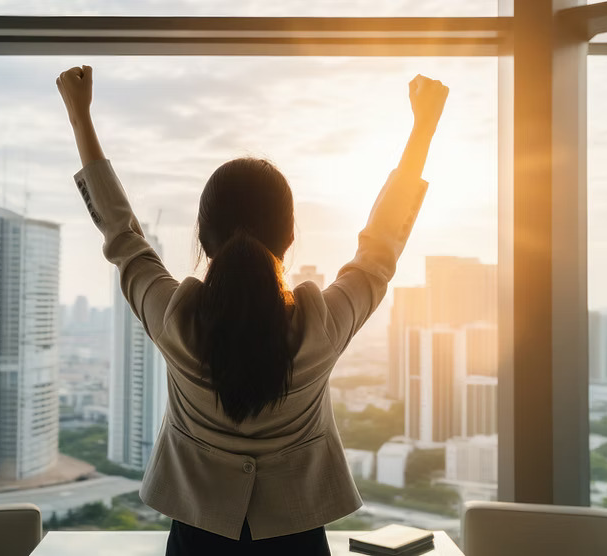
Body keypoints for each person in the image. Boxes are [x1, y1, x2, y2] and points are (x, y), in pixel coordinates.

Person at [57, 65, 448, 556]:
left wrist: (80, 118)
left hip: (196, 541)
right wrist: (422, 131)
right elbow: (377, 255)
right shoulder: (319, 327)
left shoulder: (176, 321)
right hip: (298, 542)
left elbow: (123, 239)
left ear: (203, 237)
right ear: (288, 238)